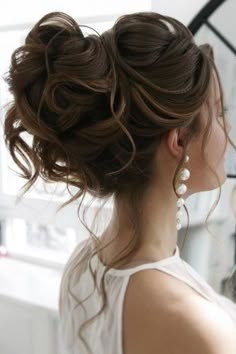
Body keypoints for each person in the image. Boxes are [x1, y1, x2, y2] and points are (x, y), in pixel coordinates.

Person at [3, 10, 236, 354]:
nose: (228, 131)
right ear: (179, 142)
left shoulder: (83, 266)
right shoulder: (196, 326)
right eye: (219, 113)